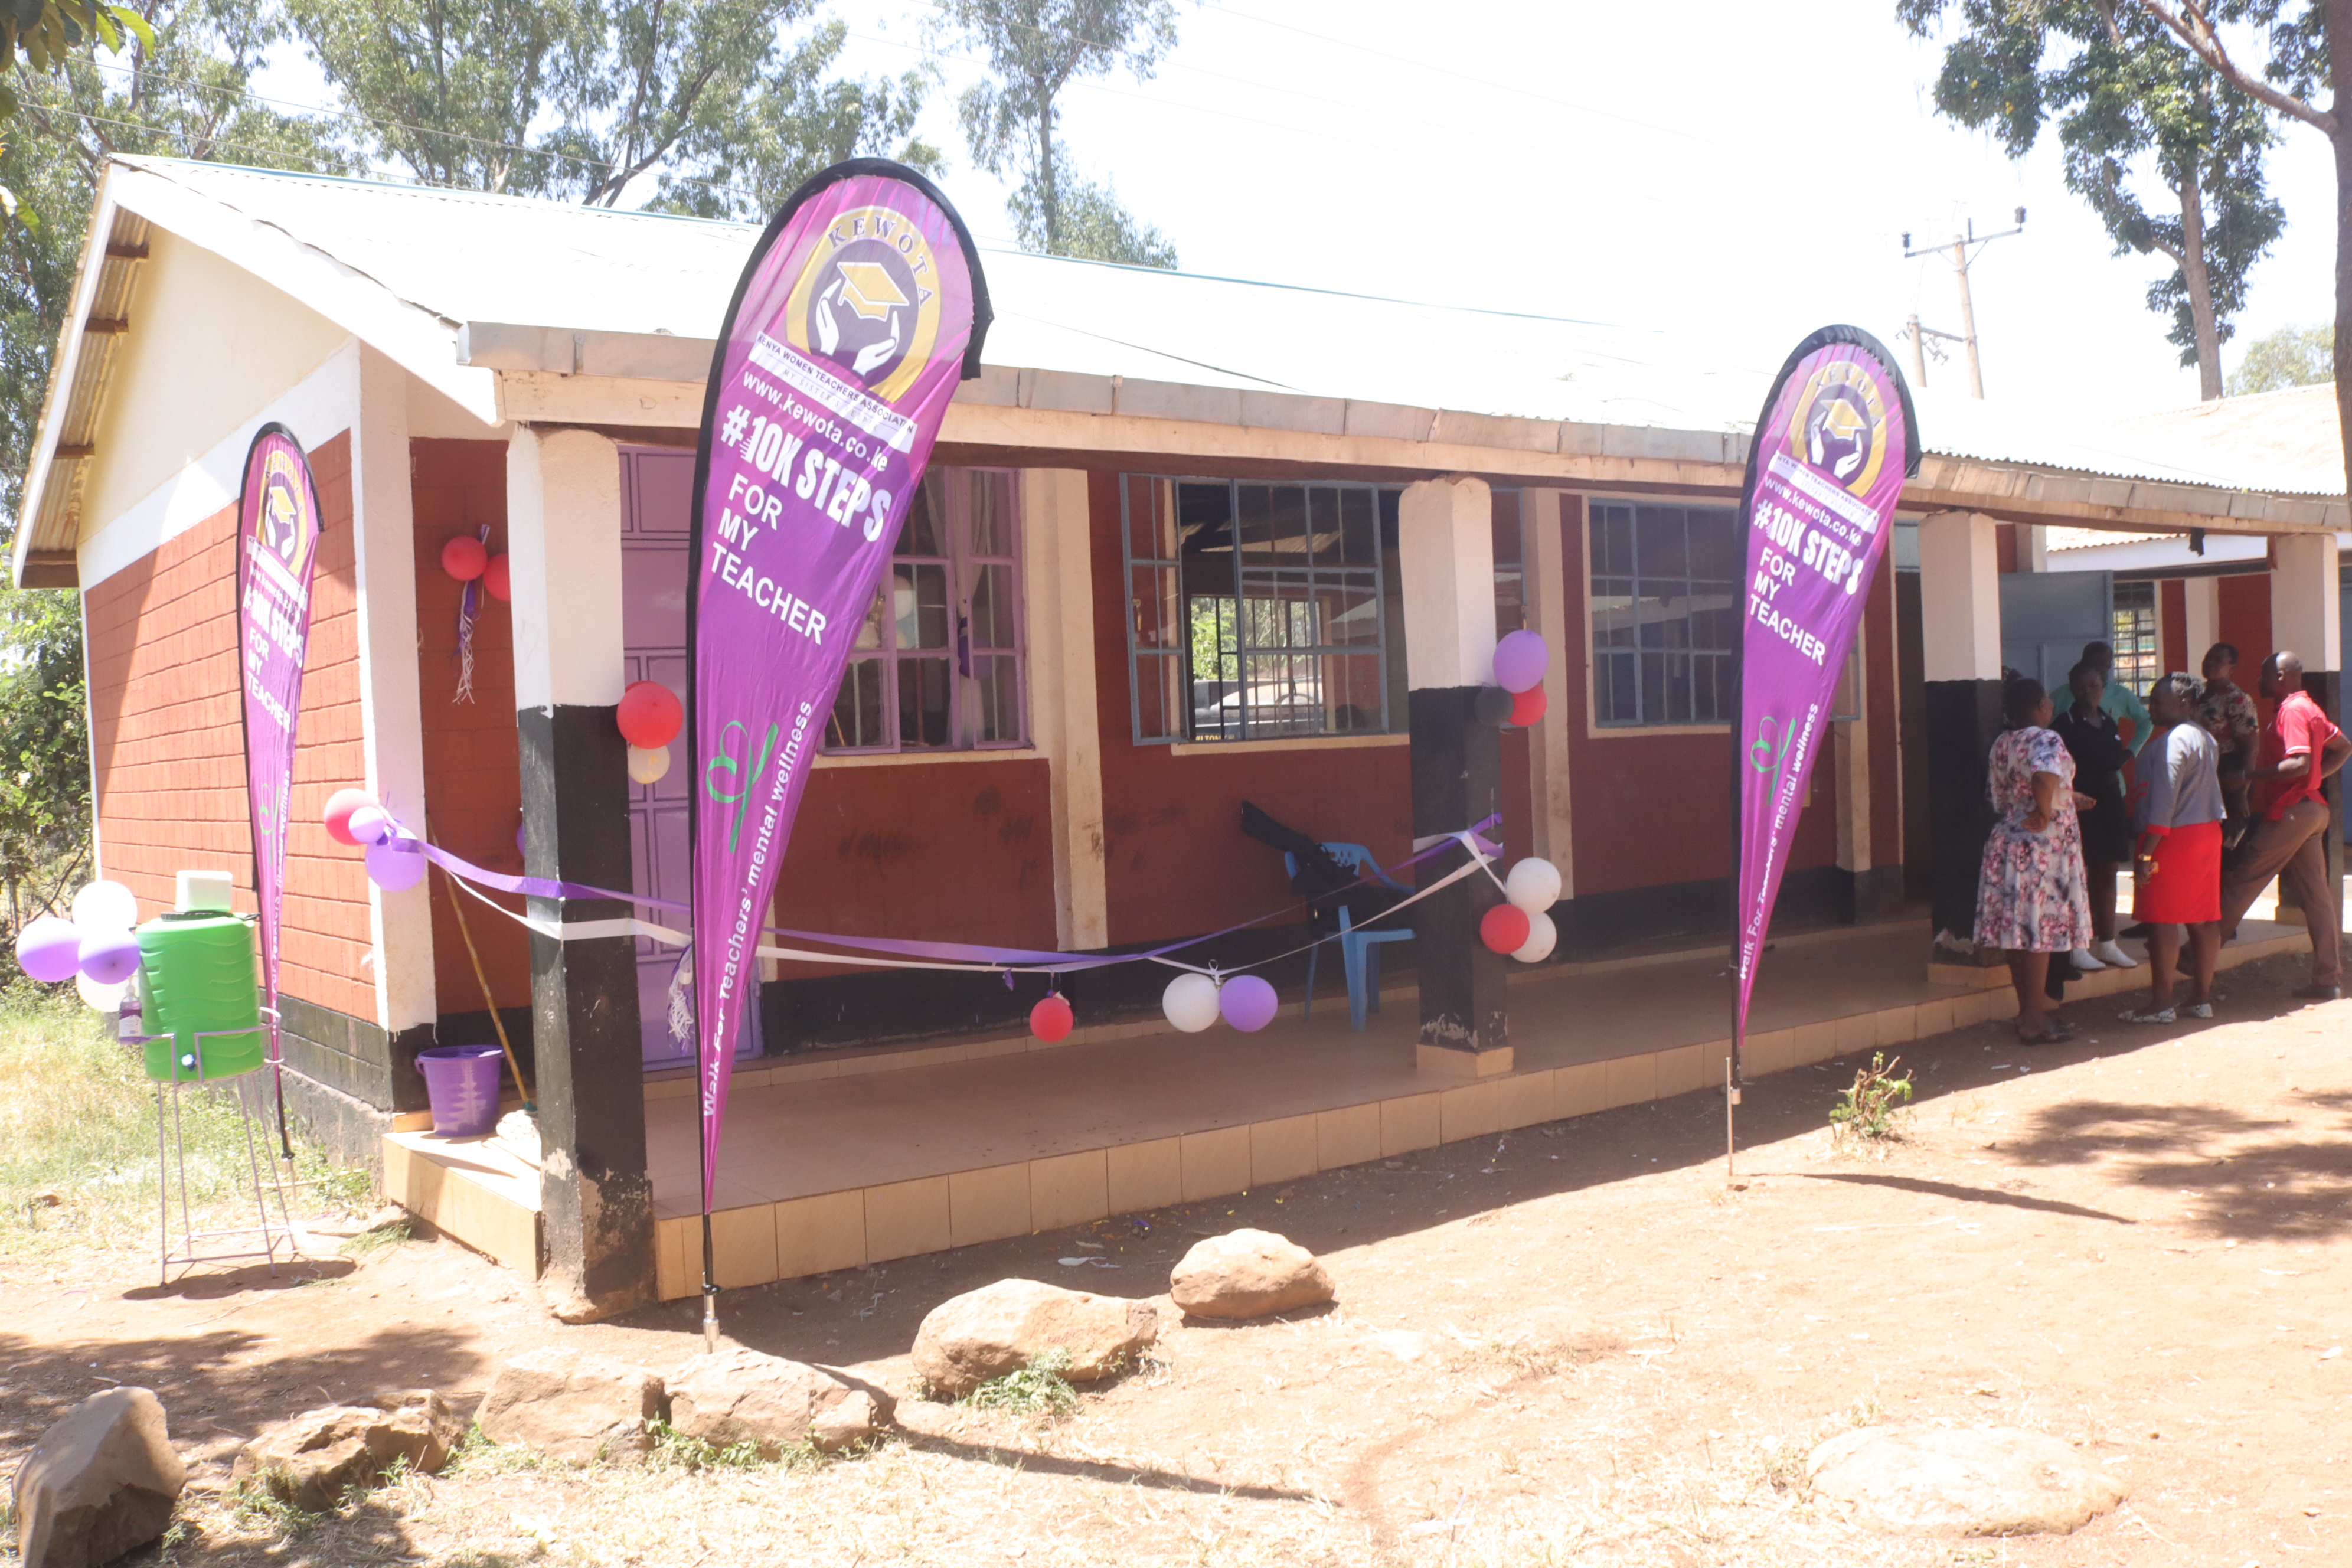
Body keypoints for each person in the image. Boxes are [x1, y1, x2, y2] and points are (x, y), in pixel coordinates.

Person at [2219, 651, 2350, 1001]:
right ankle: (2327, 978)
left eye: (2263, 677)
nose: (2259, 683)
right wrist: (2314, 780)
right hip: (2313, 811)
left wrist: (2246, 776)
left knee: (2242, 881)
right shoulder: (2309, 707)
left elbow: (2298, 762)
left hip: (2291, 812)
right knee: (2317, 897)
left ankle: (2194, 957)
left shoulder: (2292, 710)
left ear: (2280, 676)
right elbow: (2343, 748)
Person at [1974, 678, 2098, 1043]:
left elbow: (2014, 790)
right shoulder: (2046, 738)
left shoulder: (2003, 742)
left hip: (2009, 843)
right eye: (2046, 699)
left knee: (2018, 930)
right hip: (2041, 849)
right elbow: (2043, 777)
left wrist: (2068, 799)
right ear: (2040, 705)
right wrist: (2045, 814)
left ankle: (2027, 1011)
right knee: (2039, 931)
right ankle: (2034, 1019)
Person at [2119, 674, 2225, 1024]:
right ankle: (2201, 999)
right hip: (2207, 833)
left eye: (2158, 700)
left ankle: (2162, 1003)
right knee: (2202, 918)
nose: (2151, 706)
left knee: (2162, 918)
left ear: (2184, 702)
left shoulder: (2172, 742)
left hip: (2171, 837)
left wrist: (2147, 853)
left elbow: (2164, 801)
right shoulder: (2204, 737)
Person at [2050, 659, 2137, 972]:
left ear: (2105, 686)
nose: (2087, 692)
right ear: (2071, 687)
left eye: (2094, 686)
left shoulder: (2109, 722)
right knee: (2079, 876)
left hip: (2110, 804)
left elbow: (2115, 759)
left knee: (2109, 871)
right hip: (2079, 807)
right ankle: (2077, 946)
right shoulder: (2063, 725)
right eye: (2080, 687)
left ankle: (2108, 944)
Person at [2195, 642, 2262, 834]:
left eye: (2219, 661)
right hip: (2200, 770)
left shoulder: (2238, 700)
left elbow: (2250, 748)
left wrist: (2242, 790)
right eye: (2209, 658)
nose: (2211, 664)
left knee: (2229, 837)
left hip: (2228, 771)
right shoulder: (2196, 695)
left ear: (2232, 668)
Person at [2085, 641, 2152, 758]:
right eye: (2093, 663)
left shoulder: (2119, 694)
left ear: (2109, 665)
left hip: (2108, 767)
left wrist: (2131, 752)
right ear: (2084, 662)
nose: (2098, 668)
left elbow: (2146, 721)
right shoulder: (2062, 695)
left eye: (2103, 664)